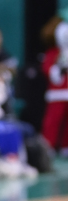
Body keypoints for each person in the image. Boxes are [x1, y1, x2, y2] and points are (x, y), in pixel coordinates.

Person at [41, 11, 68, 155]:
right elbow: (48, 71)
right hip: (56, 94)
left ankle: (66, 147)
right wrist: (59, 67)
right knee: (53, 121)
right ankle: (48, 147)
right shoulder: (52, 54)